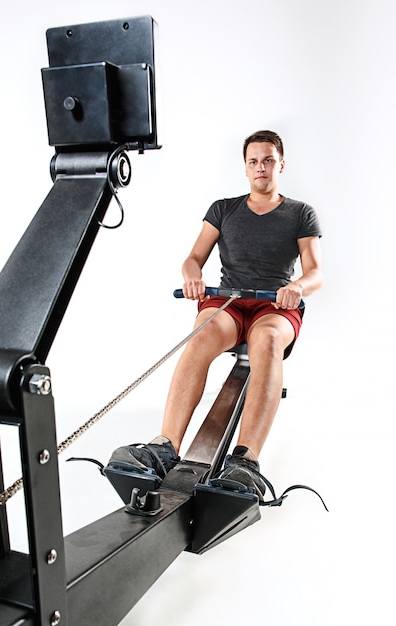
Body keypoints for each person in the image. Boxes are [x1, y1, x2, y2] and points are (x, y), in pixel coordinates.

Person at [109, 130, 323, 499]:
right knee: (203, 333)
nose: (261, 167)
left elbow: (315, 271)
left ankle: (245, 461)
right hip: (227, 302)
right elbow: (193, 258)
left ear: (281, 165)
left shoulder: (300, 213)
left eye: (268, 160)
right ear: (245, 168)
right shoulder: (224, 209)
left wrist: (297, 288)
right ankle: (164, 448)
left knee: (268, 341)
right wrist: (192, 276)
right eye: (254, 161)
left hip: (274, 305)